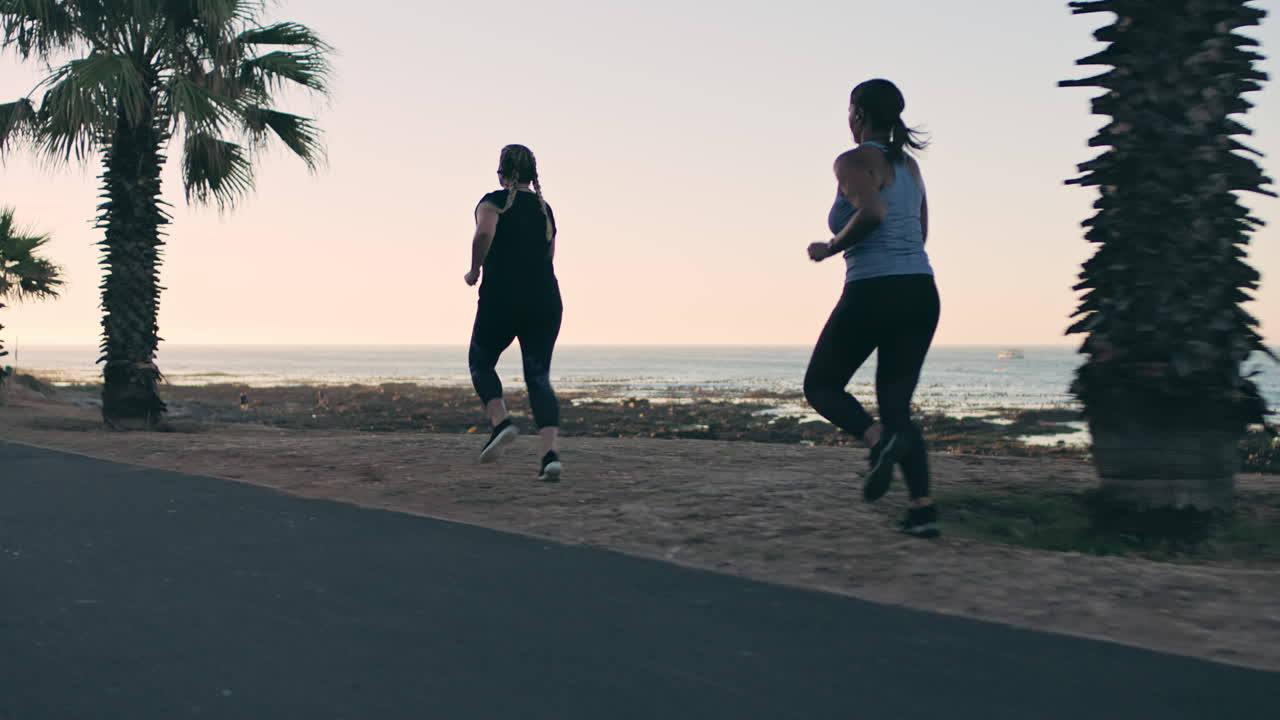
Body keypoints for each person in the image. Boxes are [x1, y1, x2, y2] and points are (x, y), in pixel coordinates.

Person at [804, 79, 941, 538]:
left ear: (858, 114)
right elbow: (919, 232)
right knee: (897, 405)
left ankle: (877, 441)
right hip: (920, 290)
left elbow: (873, 213)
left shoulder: (853, 161)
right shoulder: (911, 167)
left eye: (849, 110)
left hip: (873, 290)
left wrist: (831, 247)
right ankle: (922, 511)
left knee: (822, 385)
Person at [464, 144, 563, 481]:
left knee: (481, 362)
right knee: (539, 379)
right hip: (545, 299)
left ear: (501, 173)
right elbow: (550, 257)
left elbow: (484, 233)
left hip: (502, 298)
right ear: (533, 176)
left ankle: (501, 422)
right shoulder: (543, 209)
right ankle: (550, 456)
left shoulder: (491, 201)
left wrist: (474, 269)